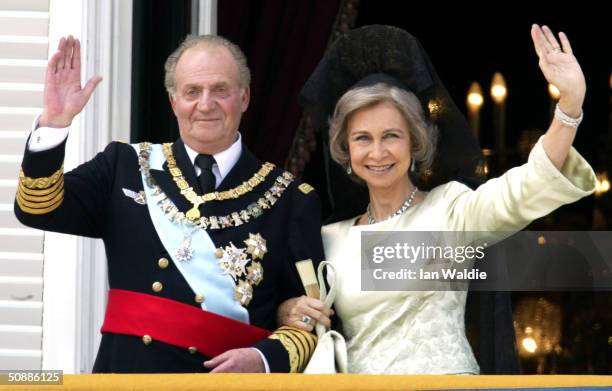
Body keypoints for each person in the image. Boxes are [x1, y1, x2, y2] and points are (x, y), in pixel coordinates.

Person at [278, 24, 596, 374]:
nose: (378, 152)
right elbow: (294, 312)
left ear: (415, 143)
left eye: (392, 136)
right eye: (363, 138)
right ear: (345, 150)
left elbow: (525, 187)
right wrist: (288, 311)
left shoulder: (450, 211)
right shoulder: (329, 238)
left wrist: (569, 106)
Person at [14, 34, 328, 373]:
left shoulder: (290, 199)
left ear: (245, 97)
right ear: (173, 100)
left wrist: (264, 359)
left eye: (220, 90)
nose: (205, 104)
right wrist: (54, 123)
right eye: (192, 92)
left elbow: (310, 317)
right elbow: (37, 207)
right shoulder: (124, 166)